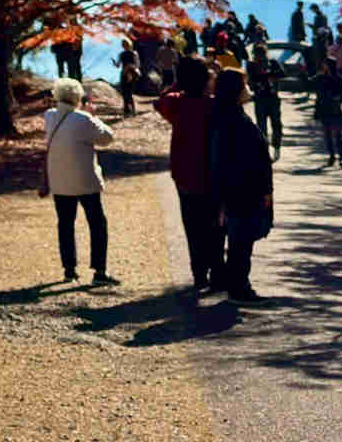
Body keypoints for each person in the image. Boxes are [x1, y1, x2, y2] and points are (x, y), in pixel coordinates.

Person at [153, 52, 222, 297]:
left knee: (193, 226)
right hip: (213, 174)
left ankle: (199, 275)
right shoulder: (214, 104)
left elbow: (158, 100)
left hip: (184, 174)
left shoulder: (175, 103)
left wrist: (178, 82)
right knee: (216, 226)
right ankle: (218, 274)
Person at [42, 78, 117, 285]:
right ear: (77, 97)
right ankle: (99, 270)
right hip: (85, 181)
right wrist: (94, 116)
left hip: (59, 182)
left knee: (65, 224)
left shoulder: (49, 117)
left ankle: (69, 269)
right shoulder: (84, 119)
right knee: (97, 223)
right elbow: (107, 137)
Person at [208, 68, 275, 300]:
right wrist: (264, 189)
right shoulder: (232, 120)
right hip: (243, 189)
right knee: (241, 241)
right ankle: (239, 286)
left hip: (240, 188)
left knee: (241, 240)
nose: (248, 89)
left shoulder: (228, 115)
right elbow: (237, 159)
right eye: (244, 85)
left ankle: (235, 282)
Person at [246, 42, 283, 157]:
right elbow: (250, 81)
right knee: (261, 127)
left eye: (262, 54)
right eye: (258, 54)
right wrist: (261, 79)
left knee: (276, 125)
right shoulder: (251, 65)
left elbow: (282, 73)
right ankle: (264, 150)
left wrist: (270, 74)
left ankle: (276, 147)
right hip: (260, 98)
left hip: (273, 98)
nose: (260, 57)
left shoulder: (272, 63)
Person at [313, 59, 342, 167]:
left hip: (335, 109)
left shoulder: (338, 78)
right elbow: (311, 86)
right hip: (325, 109)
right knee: (328, 135)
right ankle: (332, 156)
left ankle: (341, 157)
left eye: (325, 65)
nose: (323, 67)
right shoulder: (320, 77)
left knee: (337, 135)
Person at [115, 39, 140, 116]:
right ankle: (129, 110)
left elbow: (137, 65)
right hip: (128, 74)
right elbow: (118, 65)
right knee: (126, 93)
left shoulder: (131, 53)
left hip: (129, 74)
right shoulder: (130, 54)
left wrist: (128, 67)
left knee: (127, 92)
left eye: (125, 44)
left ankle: (130, 110)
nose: (124, 46)